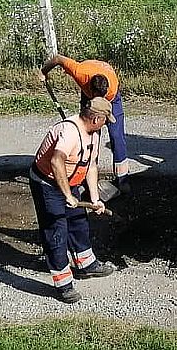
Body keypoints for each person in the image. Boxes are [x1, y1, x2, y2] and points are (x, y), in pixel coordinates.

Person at [29, 97, 116, 303]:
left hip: (70, 181)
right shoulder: (69, 132)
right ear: (95, 118)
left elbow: (91, 166)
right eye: (105, 119)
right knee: (56, 231)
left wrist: (95, 199)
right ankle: (63, 284)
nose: (107, 123)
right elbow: (56, 160)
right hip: (47, 183)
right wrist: (67, 195)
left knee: (78, 221)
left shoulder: (94, 134)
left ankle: (85, 264)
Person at [39, 55, 130, 193]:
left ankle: (122, 179)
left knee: (117, 136)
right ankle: (87, 179)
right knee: (89, 135)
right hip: (88, 93)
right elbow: (57, 59)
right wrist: (43, 72)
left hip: (113, 99)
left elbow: (105, 107)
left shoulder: (111, 90)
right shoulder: (79, 72)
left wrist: (103, 107)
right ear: (91, 90)